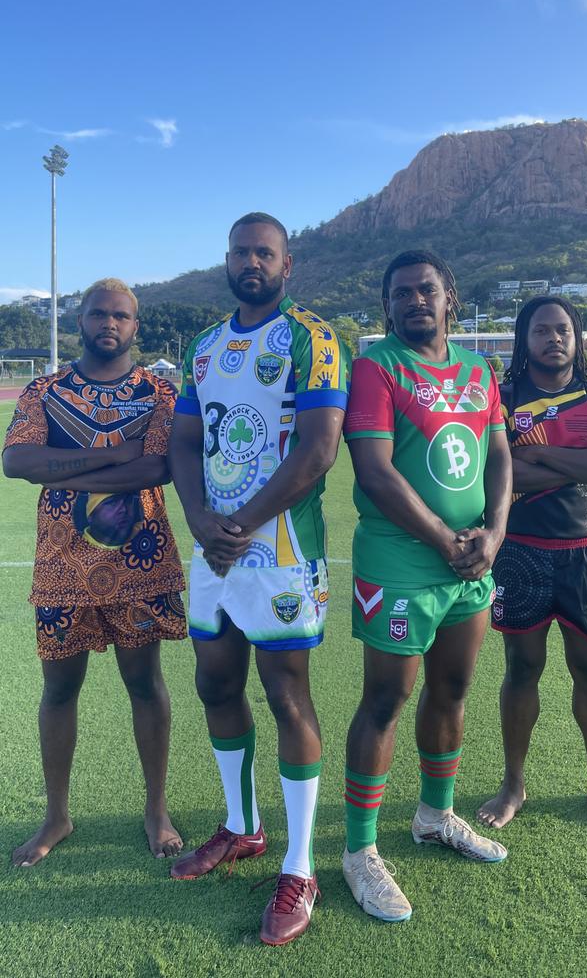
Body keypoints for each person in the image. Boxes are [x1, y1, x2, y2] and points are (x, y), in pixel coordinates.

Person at [168, 213, 349, 946]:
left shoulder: (311, 338)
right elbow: (184, 441)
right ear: (228, 260)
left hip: (277, 550)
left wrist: (237, 527)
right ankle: (242, 827)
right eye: (240, 251)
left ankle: (299, 865)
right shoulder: (203, 346)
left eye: (263, 252)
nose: (251, 262)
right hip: (211, 549)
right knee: (215, 684)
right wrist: (201, 518)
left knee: (286, 697)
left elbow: (318, 449)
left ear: (286, 262)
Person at [341, 250, 511, 923]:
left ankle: (435, 816)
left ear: (450, 298)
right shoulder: (376, 367)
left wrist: (493, 533)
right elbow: (376, 472)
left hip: (472, 563)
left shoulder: (477, 370)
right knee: (385, 698)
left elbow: (499, 456)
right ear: (389, 306)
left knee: (453, 689)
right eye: (402, 293)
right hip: (401, 561)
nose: (415, 301)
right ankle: (359, 852)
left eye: (427, 290)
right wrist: (446, 540)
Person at [2, 278, 187, 866]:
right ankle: (56, 815)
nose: (110, 323)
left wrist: (60, 472)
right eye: (99, 313)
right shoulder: (44, 391)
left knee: (144, 684)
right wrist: (111, 453)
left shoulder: (159, 392)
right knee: (59, 690)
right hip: (62, 565)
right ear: (79, 321)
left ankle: (156, 810)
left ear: (137, 326)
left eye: (122, 316)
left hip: (138, 562)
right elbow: (16, 461)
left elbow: (156, 468)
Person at [477, 296, 587, 836]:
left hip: (586, 550)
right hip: (519, 549)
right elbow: (496, 477)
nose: (554, 338)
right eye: (542, 330)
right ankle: (513, 785)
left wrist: (538, 456)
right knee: (522, 669)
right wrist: (570, 464)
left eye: (563, 329)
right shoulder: (500, 399)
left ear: (578, 337)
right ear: (524, 339)